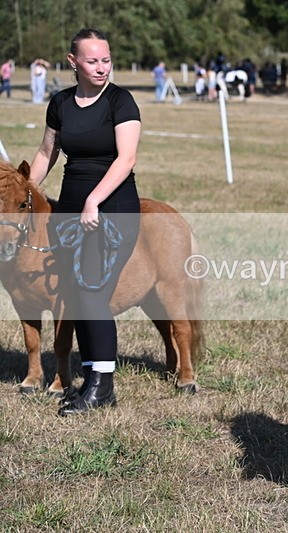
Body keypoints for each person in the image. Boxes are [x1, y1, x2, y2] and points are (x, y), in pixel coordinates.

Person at [29, 28, 141, 416]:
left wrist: (94, 199)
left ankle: (103, 389)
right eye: (92, 60)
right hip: (70, 213)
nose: (101, 67)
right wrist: (24, 193)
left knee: (93, 293)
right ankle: (92, 380)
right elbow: (47, 153)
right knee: (76, 295)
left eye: (106, 60)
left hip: (112, 211)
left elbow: (125, 159)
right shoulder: (60, 102)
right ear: (73, 61)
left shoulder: (120, 101)